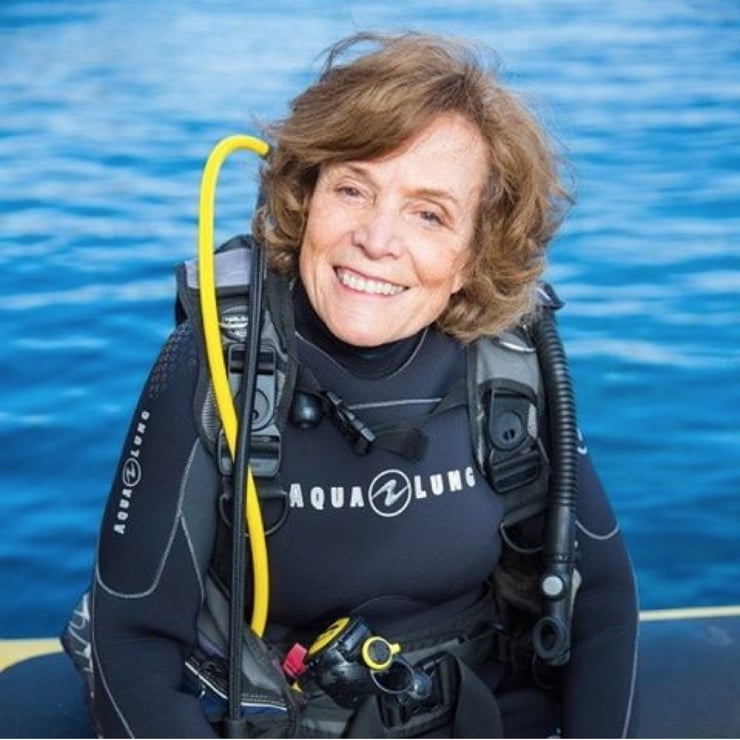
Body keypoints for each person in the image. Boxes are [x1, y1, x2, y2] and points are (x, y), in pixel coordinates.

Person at [63, 31, 639, 738]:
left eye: (428, 213)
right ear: (306, 199)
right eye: (353, 188)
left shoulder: (512, 367)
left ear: (472, 255)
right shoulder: (215, 364)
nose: (376, 238)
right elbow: (131, 640)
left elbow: (603, 598)